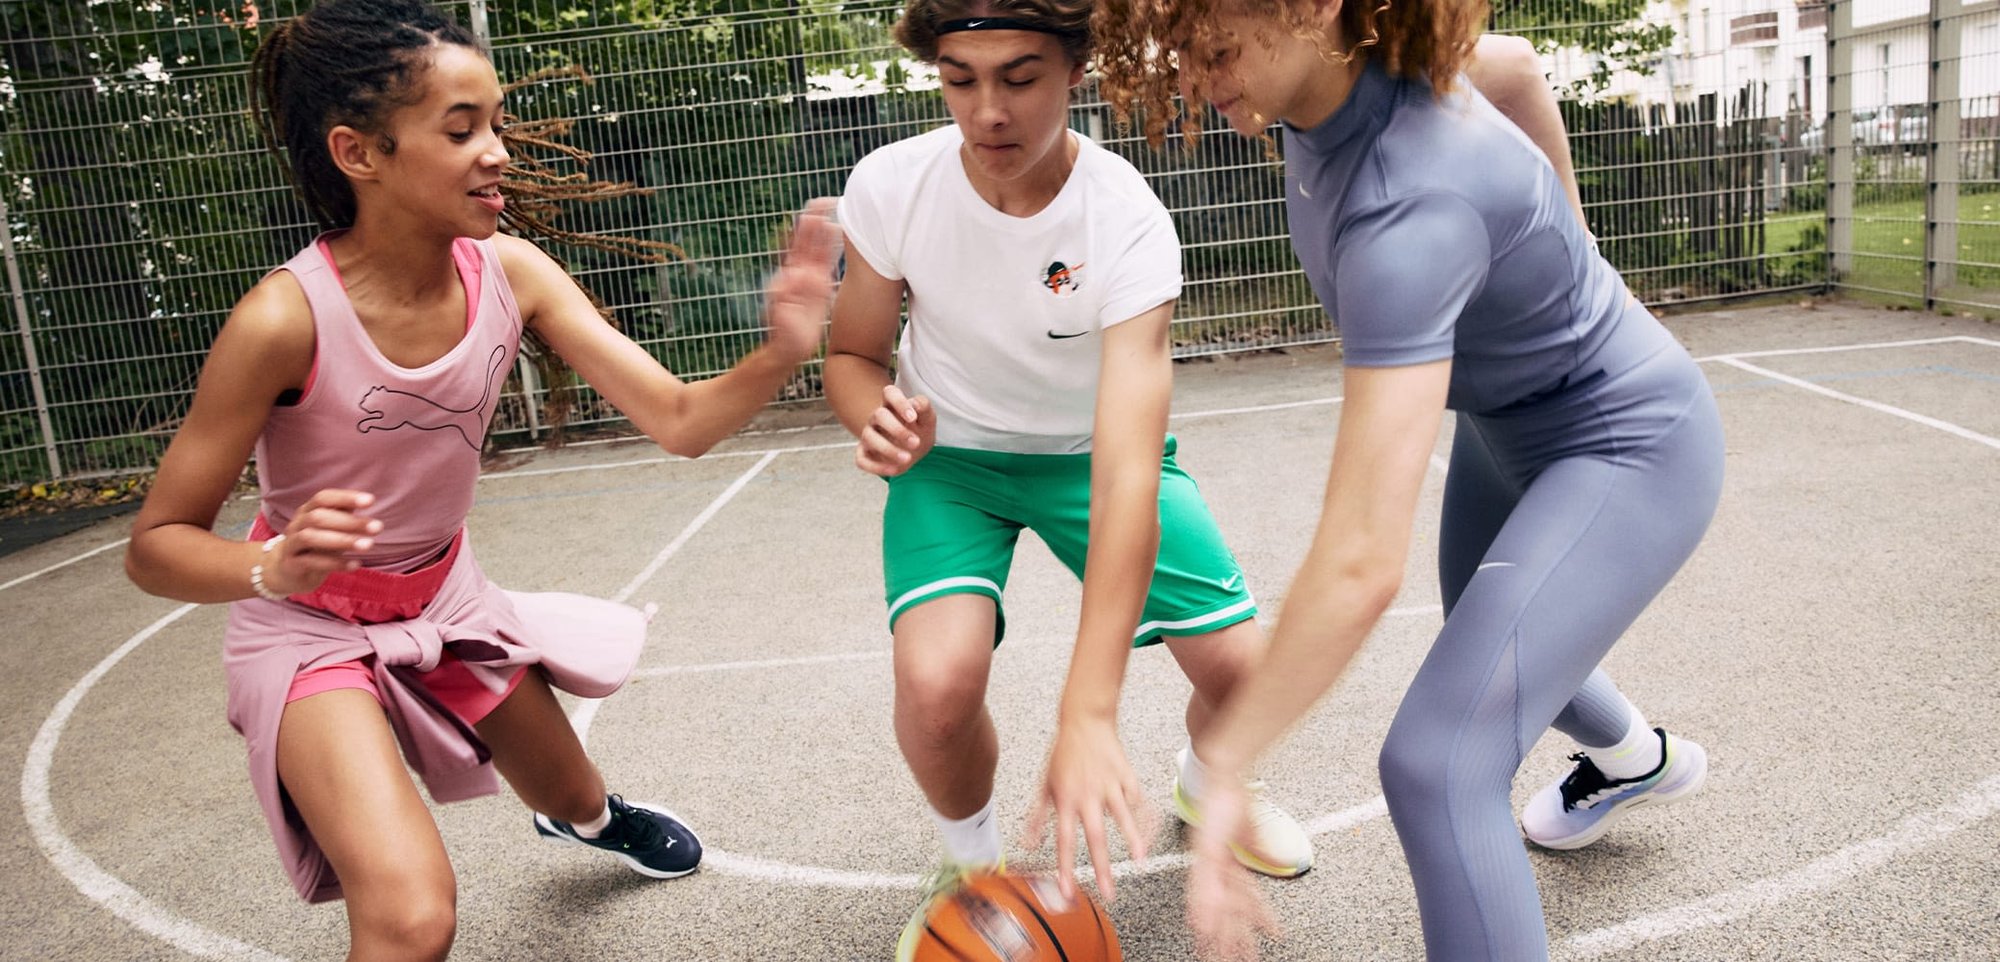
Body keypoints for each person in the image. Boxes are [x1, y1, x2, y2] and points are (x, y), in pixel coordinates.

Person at [121, 1, 837, 957]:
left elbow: (679, 422)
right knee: (413, 917)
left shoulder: (514, 272)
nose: (496, 149)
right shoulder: (282, 321)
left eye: (493, 122)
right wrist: (274, 568)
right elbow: (154, 547)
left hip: (444, 595)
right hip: (308, 625)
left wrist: (781, 352)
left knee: (573, 792)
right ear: (360, 153)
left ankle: (587, 817)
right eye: (461, 130)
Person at [1089, 1, 1721, 959]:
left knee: (1438, 764)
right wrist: (1570, 249)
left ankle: (1629, 758)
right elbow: (1511, 66)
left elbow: (1355, 565)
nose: (1192, 80)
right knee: (1490, 629)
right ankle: (1635, 758)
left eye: (1214, 50)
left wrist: (1224, 761)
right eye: (1180, 53)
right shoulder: (1352, 82)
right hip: (1506, 425)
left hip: (1628, 441)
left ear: (1313, 6)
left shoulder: (1408, 206)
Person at [825, 1, 1319, 954]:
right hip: (952, 462)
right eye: (960, 79)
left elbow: (1131, 465)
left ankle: (1208, 781)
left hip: (1096, 459)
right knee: (937, 688)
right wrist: (871, 414)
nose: (987, 111)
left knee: (1245, 674)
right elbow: (851, 354)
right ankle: (970, 868)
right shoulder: (891, 185)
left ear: (1076, 72)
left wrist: (1087, 712)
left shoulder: (1124, 216)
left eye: (1019, 77)